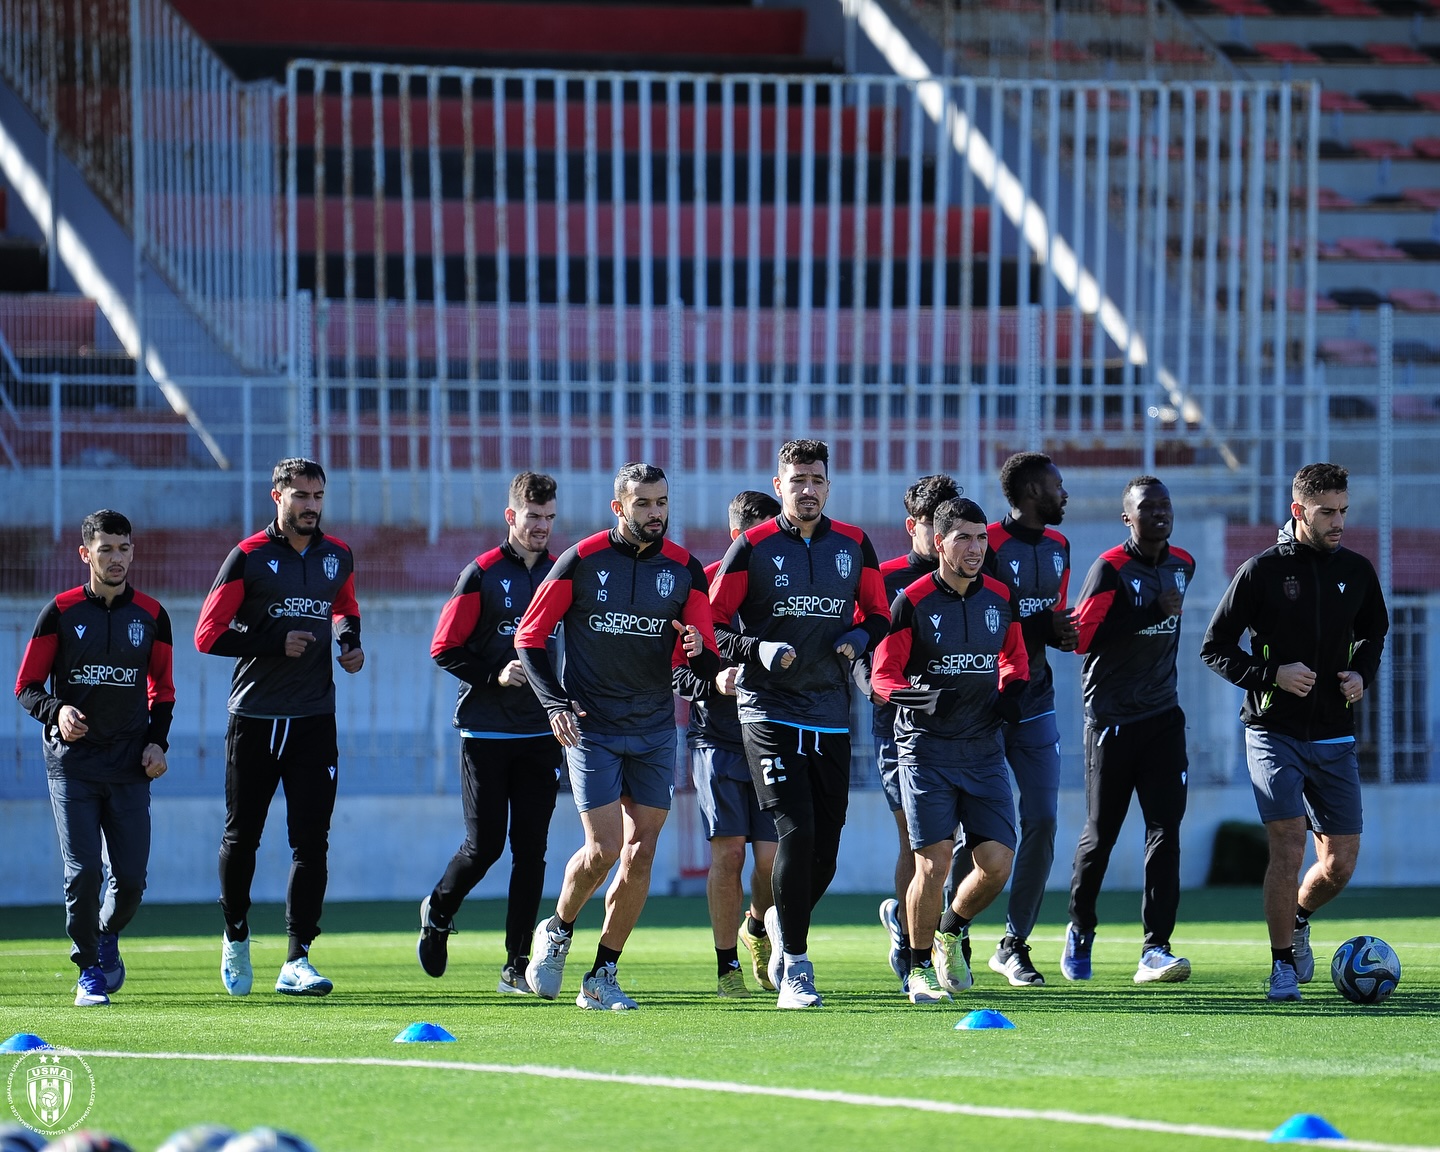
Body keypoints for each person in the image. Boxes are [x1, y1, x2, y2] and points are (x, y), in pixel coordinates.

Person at [516, 462, 719, 1010]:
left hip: (654, 729)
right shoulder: (581, 560)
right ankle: (557, 929)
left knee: (643, 850)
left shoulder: (686, 569)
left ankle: (602, 974)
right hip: (593, 728)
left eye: (662, 503)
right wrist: (555, 702)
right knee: (603, 849)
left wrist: (700, 651)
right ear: (618, 507)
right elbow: (529, 637)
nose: (656, 514)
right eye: (644, 504)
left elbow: (700, 653)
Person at [709, 439, 890, 1008]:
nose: (806, 489)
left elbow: (880, 614)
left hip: (832, 716)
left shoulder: (854, 544)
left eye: (816, 479)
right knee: (797, 830)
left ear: (828, 485)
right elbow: (711, 624)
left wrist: (860, 637)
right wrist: (756, 651)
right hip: (768, 711)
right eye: (796, 480)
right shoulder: (753, 546)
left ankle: (768, 930)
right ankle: (797, 968)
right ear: (779, 484)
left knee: (827, 849)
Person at [1200, 463, 1388, 1002]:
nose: (1338, 522)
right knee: (1288, 844)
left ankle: (1300, 919)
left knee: (1340, 864)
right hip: (1271, 730)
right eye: (1327, 512)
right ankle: (1282, 965)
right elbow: (1215, 647)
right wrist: (1271, 675)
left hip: (1334, 735)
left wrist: (1362, 674)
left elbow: (1375, 631)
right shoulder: (1261, 572)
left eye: (1343, 511)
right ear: (1298, 510)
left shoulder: (1357, 569)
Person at [195, 458, 364, 998]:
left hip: (315, 719)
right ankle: (236, 934)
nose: (311, 505)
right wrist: (273, 641)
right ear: (277, 497)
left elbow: (343, 607)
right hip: (254, 719)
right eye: (301, 496)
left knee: (312, 841)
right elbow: (207, 634)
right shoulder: (247, 557)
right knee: (242, 837)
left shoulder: (337, 556)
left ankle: (297, 957)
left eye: (318, 495)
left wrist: (348, 643)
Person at [14, 510, 174, 1007]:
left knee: (129, 881)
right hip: (74, 763)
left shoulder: (151, 615)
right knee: (82, 872)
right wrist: (57, 710)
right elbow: (25, 687)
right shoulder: (59, 612)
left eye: (124, 549)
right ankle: (87, 969)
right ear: (85, 554)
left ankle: (106, 934)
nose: (117, 558)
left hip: (129, 764)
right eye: (106, 549)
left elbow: (162, 691)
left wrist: (157, 743)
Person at [872, 497, 1029, 1003]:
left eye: (981, 537)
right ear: (938, 542)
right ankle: (917, 970)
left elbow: (1016, 660)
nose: (976, 547)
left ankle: (951, 928)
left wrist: (1010, 695)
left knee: (997, 865)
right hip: (926, 750)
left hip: (983, 750)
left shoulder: (1001, 597)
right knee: (932, 863)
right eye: (964, 537)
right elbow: (883, 674)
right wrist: (912, 697)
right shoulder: (912, 601)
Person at [417, 472, 563, 995]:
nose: (543, 526)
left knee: (532, 850)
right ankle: (438, 910)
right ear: (512, 516)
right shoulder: (480, 574)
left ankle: (516, 965)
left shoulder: (562, 572)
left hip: (542, 732)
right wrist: (493, 674)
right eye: (533, 517)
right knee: (485, 847)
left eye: (549, 517)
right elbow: (443, 648)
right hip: (485, 733)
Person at [1062, 476, 1195, 985]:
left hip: (1164, 718)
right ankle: (1081, 926)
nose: (1160, 514)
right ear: (1128, 519)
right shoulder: (1110, 569)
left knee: (1166, 831)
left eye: (1165, 505)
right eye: (1148, 508)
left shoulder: (1184, 563)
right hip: (1111, 722)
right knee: (1101, 836)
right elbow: (1081, 640)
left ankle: (1155, 949)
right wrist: (1147, 612)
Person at [955, 452, 1076, 987]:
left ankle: (1013, 944)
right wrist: (1038, 624)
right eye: (1056, 485)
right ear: (1030, 491)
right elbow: (981, 616)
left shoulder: (1060, 547)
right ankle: (949, 930)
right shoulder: (988, 545)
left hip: (1037, 701)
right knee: (974, 832)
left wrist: (1060, 632)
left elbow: (1046, 622)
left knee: (1044, 820)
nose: (1064, 494)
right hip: (984, 706)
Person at [674, 490, 784, 997]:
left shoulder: (786, 590)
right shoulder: (705, 587)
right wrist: (713, 682)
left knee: (770, 860)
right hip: (717, 740)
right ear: (740, 537)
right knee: (730, 855)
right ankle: (726, 968)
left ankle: (757, 927)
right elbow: (677, 672)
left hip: (775, 736)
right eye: (759, 537)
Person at [870, 473, 960, 990]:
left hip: (970, 732)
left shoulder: (980, 576)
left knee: (972, 840)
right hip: (899, 730)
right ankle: (910, 944)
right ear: (914, 527)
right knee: (919, 840)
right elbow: (866, 654)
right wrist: (883, 690)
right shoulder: (886, 580)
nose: (950, 535)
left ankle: (952, 933)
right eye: (935, 524)